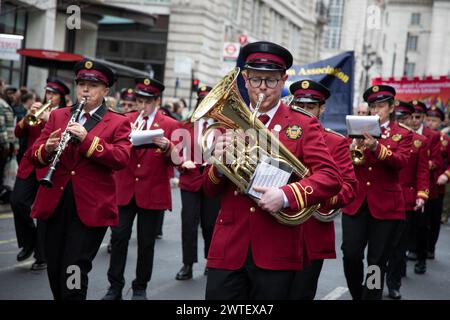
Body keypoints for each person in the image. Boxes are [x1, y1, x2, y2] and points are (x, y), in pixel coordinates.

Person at [203, 41, 343, 300]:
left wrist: (287, 195)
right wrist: (219, 166)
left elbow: (331, 177)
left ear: (284, 80)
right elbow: (209, 189)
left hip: (276, 247)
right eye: (256, 80)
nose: (263, 88)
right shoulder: (228, 122)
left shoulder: (303, 124)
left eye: (271, 80)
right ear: (245, 79)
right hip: (228, 245)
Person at [30, 60, 132, 300]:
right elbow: (34, 154)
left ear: (105, 91)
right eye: (82, 84)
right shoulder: (58, 115)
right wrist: (47, 148)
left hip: (90, 206)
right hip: (55, 201)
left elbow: (121, 158)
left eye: (93, 85)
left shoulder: (118, 121)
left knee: (74, 267)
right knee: (55, 266)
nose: (86, 90)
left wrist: (87, 140)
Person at [103, 77, 180, 300]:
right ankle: (114, 286)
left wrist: (168, 147)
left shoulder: (170, 125)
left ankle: (140, 287)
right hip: (125, 188)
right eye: (140, 100)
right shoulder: (125, 120)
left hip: (152, 191)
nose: (142, 106)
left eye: (147, 101)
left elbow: (178, 161)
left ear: (157, 101)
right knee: (118, 238)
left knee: (146, 243)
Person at [287, 79, 358, 300]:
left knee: (301, 294)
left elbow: (348, 188)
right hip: (275, 226)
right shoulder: (278, 134)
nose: (305, 111)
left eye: (310, 107)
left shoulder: (335, 142)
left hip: (312, 231)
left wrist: (317, 196)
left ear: (322, 109)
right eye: (300, 106)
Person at [343, 85, 412, 300]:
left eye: (380, 106)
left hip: (386, 207)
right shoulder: (356, 129)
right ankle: (358, 293)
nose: (376, 110)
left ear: (391, 107)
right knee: (351, 255)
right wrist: (351, 145)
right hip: (356, 203)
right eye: (372, 106)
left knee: (376, 261)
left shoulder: (402, 134)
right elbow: (345, 161)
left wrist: (377, 148)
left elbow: (401, 162)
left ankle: (370, 296)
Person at [10, 77, 69, 272]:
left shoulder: (64, 114)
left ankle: (41, 256)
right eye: (48, 93)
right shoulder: (38, 109)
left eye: (53, 94)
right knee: (17, 201)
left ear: (61, 97)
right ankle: (29, 242)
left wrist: (47, 120)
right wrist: (28, 116)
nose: (49, 97)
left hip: (50, 164)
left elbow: (62, 138)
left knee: (43, 212)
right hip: (29, 162)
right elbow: (18, 134)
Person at [175, 85, 221, 281]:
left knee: (211, 224)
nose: (205, 104)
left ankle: (211, 262)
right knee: (189, 224)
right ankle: (187, 264)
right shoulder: (186, 125)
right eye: (201, 101)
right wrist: (181, 162)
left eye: (208, 101)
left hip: (212, 180)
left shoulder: (222, 127)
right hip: (190, 179)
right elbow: (175, 151)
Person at [385, 100, 429, 299]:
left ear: (412, 119)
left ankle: (394, 285)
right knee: (377, 253)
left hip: (405, 201)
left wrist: (422, 194)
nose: (401, 121)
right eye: (398, 118)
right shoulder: (381, 135)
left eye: (405, 118)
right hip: (382, 198)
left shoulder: (419, 140)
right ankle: (373, 285)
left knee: (398, 248)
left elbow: (422, 172)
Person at [408, 100, 442, 273]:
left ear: (423, 117)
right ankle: (405, 257)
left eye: (417, 117)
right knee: (403, 227)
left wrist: (418, 165)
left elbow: (437, 161)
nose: (414, 120)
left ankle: (422, 259)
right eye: (411, 116)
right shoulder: (402, 133)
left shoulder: (433, 136)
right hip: (405, 186)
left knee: (422, 226)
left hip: (425, 186)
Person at [424, 106, 448, 260]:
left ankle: (430, 247)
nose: (431, 123)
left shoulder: (446, 141)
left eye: (435, 120)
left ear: (441, 122)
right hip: (421, 183)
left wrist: (446, 175)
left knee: (433, 219)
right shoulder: (422, 137)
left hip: (437, 185)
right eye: (429, 120)